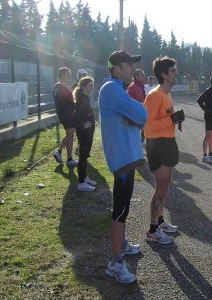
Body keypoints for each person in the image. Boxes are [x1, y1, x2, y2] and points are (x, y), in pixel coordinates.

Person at [99, 50, 147, 284]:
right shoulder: (111, 89)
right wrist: (135, 116)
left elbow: (138, 115)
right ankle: (115, 262)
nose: (131, 68)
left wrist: (135, 116)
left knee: (124, 207)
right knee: (120, 210)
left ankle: (123, 246)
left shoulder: (116, 88)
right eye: (128, 64)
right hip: (121, 158)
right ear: (116, 67)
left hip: (126, 157)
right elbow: (141, 113)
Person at [143, 56, 184, 244]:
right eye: (173, 71)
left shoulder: (167, 93)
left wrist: (175, 119)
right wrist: (171, 119)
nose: (176, 73)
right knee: (160, 189)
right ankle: (152, 230)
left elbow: (165, 118)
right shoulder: (154, 95)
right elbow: (147, 126)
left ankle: (159, 221)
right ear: (164, 74)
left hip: (168, 142)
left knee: (166, 185)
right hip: (157, 145)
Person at [73, 76, 97, 192]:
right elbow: (76, 114)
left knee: (85, 155)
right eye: (90, 86)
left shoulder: (84, 97)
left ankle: (84, 177)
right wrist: (83, 124)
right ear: (83, 87)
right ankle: (81, 183)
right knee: (83, 156)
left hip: (88, 131)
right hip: (84, 132)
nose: (92, 88)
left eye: (93, 85)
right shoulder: (82, 98)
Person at [52, 67, 78, 167]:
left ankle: (59, 152)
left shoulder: (57, 86)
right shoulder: (61, 87)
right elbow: (72, 102)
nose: (70, 75)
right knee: (70, 135)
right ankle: (69, 159)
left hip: (65, 114)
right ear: (62, 75)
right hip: (67, 115)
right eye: (68, 74)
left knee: (69, 134)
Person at [197, 76, 212, 163]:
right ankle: (205, 156)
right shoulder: (208, 91)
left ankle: (211, 154)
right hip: (209, 117)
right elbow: (199, 100)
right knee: (207, 136)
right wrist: (205, 109)